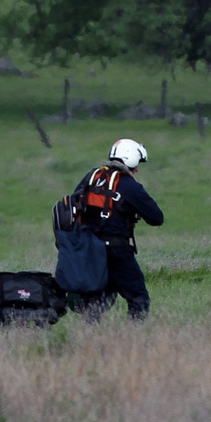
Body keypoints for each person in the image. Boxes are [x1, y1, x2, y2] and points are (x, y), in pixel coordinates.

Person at [72, 137, 163, 321]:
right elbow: (156, 218)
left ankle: (89, 337)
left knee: (99, 299)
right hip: (116, 251)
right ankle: (133, 337)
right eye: (136, 165)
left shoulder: (91, 177)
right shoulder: (129, 185)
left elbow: (74, 204)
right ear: (129, 160)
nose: (137, 170)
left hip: (89, 250)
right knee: (139, 298)